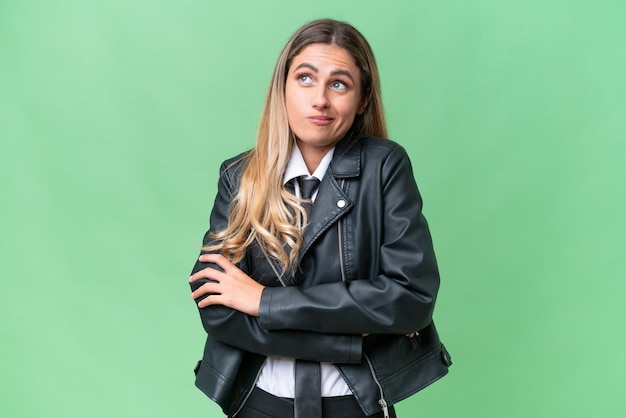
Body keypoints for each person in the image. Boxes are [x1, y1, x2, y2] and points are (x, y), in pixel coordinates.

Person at [189, 18, 452, 418]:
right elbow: (216, 305)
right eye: (306, 79)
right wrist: (349, 341)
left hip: (355, 406)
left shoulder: (385, 168)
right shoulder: (239, 177)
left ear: (362, 99)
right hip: (256, 405)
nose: (320, 100)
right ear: (283, 89)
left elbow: (410, 300)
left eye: (339, 83)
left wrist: (262, 301)